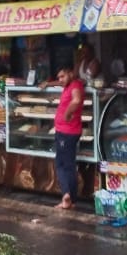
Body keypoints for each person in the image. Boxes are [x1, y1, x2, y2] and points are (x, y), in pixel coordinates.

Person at [40, 67, 85, 210]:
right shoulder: (68, 84)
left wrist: (67, 113)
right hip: (65, 131)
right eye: (58, 77)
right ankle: (72, 198)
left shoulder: (75, 85)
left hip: (67, 132)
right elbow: (59, 84)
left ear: (70, 74)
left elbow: (77, 100)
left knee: (61, 165)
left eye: (62, 76)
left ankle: (66, 196)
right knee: (69, 164)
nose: (60, 80)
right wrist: (48, 84)